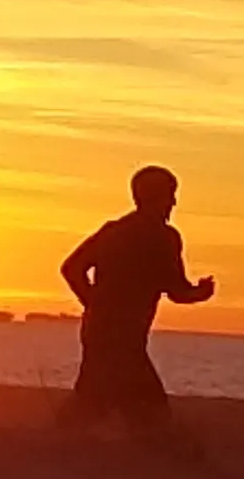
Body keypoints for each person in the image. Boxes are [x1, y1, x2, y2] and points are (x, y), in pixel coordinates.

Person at [57, 166, 214, 447]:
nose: (174, 203)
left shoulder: (112, 232)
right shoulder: (163, 238)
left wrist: (94, 305)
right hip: (123, 337)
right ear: (155, 197)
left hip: (99, 330)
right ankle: (52, 447)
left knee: (98, 399)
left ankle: (54, 446)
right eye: (170, 195)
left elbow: (72, 269)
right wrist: (201, 293)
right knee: (143, 407)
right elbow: (177, 290)